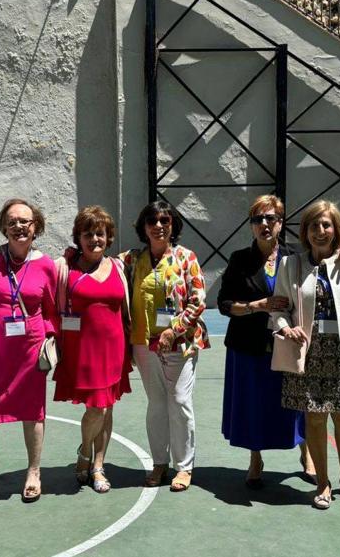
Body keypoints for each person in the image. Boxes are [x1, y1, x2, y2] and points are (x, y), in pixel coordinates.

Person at [218, 194, 340, 488]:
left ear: (281, 223)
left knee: (298, 403)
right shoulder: (240, 259)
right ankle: (255, 460)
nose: (264, 224)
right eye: (258, 220)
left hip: (293, 344)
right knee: (254, 404)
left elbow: (330, 257)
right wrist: (259, 305)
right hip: (250, 345)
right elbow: (224, 304)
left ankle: (306, 454)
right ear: (252, 225)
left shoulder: (296, 256)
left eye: (271, 219)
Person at [271, 200, 340, 510]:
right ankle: (323, 482)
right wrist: (285, 329)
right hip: (307, 352)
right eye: (314, 225)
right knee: (315, 420)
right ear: (305, 231)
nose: (321, 231)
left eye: (327, 225)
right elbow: (279, 310)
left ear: (336, 230)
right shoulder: (289, 265)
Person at [120, 200, 209, 492]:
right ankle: (160, 462)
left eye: (165, 220)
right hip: (144, 344)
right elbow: (99, 262)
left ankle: (184, 467)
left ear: (173, 226)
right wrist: (70, 256)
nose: (159, 226)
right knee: (157, 403)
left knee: (180, 401)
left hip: (180, 343)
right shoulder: (132, 260)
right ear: (144, 227)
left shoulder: (186, 258)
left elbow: (198, 300)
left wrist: (175, 329)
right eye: (152, 221)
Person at [0, 198, 58, 503]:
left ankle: (34, 472)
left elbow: (50, 310)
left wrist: (49, 342)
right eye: (12, 221)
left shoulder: (46, 265)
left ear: (35, 226)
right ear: (3, 227)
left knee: (32, 412)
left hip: (29, 352)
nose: (19, 226)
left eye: (25, 221)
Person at [53, 205, 131, 493]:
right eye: (88, 234)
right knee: (96, 407)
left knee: (107, 406)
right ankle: (85, 451)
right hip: (81, 350)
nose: (94, 239)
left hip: (114, 348)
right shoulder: (65, 268)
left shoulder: (119, 267)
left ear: (108, 237)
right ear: (78, 237)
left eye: (100, 234)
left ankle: (98, 464)